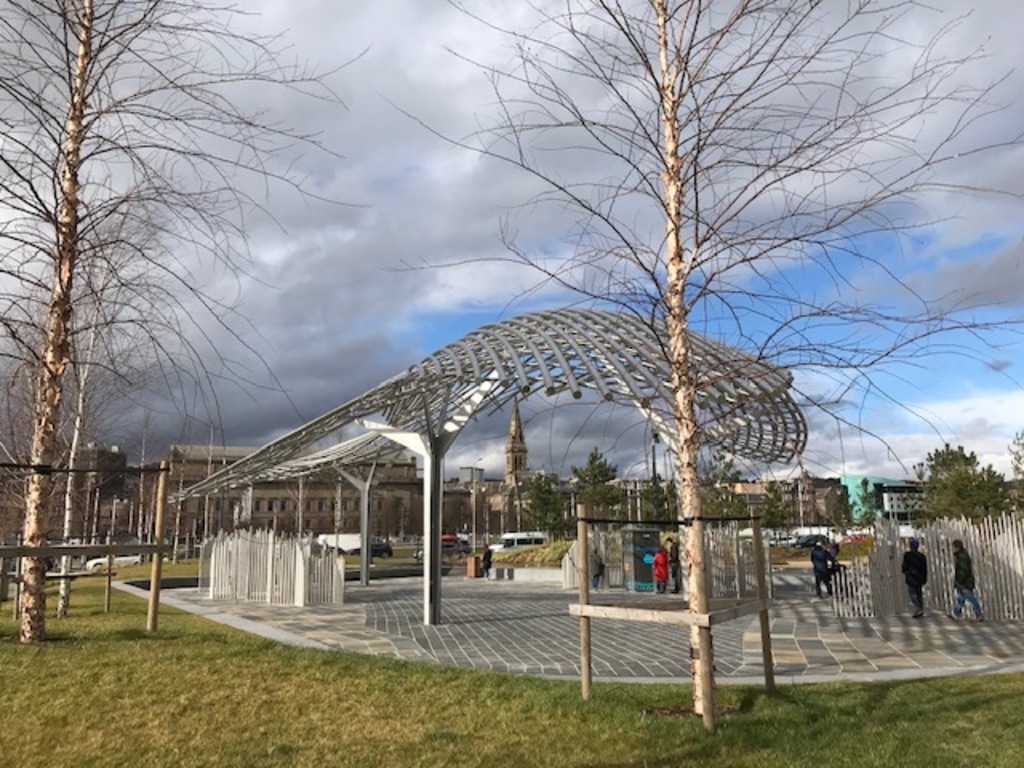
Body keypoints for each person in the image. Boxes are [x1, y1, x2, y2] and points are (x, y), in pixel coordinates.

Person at [951, 539, 984, 621]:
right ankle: (956, 613)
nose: (952, 549)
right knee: (960, 599)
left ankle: (979, 614)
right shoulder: (961, 555)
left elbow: (963, 570)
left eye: (953, 547)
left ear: (957, 547)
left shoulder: (962, 556)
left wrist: (959, 580)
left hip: (964, 582)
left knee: (971, 599)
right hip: (963, 582)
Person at [901, 538, 927, 618]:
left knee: (912, 593)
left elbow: (905, 565)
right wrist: (924, 578)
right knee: (919, 593)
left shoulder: (907, 555)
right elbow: (925, 568)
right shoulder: (922, 556)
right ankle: (921, 609)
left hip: (911, 576)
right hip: (920, 577)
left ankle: (918, 608)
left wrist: (904, 571)